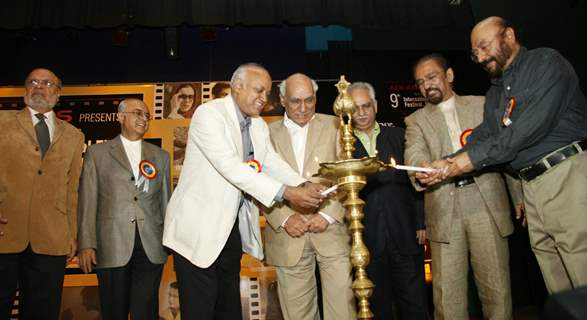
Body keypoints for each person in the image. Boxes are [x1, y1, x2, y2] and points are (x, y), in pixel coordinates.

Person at [162, 63, 327, 320]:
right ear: (237, 87)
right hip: (196, 232)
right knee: (200, 312)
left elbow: (272, 164)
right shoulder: (209, 114)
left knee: (228, 310)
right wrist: (287, 193)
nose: (264, 99)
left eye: (267, 93)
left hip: (230, 232)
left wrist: (303, 185)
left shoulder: (258, 125)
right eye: (258, 91)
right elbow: (231, 167)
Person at [445, 16, 587, 294]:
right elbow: (483, 136)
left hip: (567, 174)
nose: (482, 58)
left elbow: (523, 132)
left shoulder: (546, 63)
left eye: (485, 47)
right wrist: (445, 163)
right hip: (531, 186)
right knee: (556, 279)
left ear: (508, 35)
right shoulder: (495, 94)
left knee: (582, 266)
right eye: (476, 54)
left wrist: (465, 162)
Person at [404, 54, 514, 320]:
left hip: (486, 203)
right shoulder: (415, 120)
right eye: (420, 82)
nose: (426, 85)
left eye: (431, 77)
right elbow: (414, 153)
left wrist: (518, 194)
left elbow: (506, 149)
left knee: (497, 293)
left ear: (449, 76)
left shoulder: (483, 105)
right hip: (444, 209)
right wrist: (422, 169)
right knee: (447, 299)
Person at [265, 73, 356, 320]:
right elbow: (258, 182)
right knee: (298, 315)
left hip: (332, 231)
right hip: (287, 235)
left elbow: (347, 177)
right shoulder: (264, 134)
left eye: (310, 100)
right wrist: (284, 219)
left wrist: (328, 214)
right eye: (295, 101)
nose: (303, 108)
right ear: (282, 100)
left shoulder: (337, 126)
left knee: (343, 312)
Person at [0, 68, 85, 319]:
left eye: (47, 83)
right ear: (25, 89)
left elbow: (72, 189)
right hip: (5, 232)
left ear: (57, 94)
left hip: (52, 237)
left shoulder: (74, 136)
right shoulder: (3, 122)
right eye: (33, 82)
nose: (39, 86)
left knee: (43, 312)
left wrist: (72, 233)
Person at [77, 98, 171, 319]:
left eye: (147, 115)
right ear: (120, 117)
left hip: (151, 246)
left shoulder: (161, 156)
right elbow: (87, 200)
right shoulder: (97, 154)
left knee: (146, 310)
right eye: (137, 113)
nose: (143, 119)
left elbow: (166, 202)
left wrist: (169, 240)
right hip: (111, 243)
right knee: (113, 310)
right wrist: (86, 243)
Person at [348, 82, 428, 320]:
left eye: (366, 106)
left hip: (405, 232)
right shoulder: (344, 146)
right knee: (378, 308)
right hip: (367, 240)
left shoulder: (399, 136)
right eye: (355, 108)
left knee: (415, 304)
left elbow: (416, 180)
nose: (361, 113)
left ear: (375, 106)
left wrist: (421, 221)